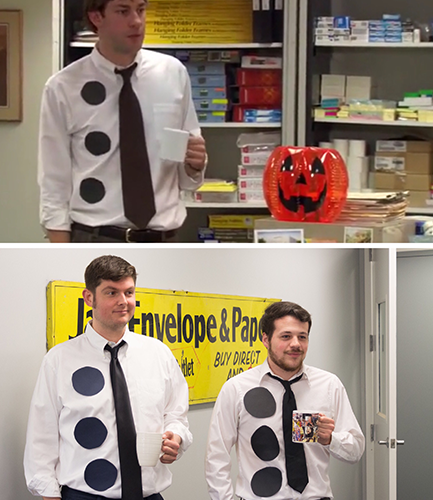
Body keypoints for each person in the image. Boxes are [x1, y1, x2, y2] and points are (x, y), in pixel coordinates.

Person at [38, 0, 207, 243]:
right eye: (122, 11)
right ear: (97, 17)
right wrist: (62, 257)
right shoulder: (63, 87)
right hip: (96, 239)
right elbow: (53, 183)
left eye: (140, 9)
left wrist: (194, 166)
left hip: (164, 242)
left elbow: (187, 174)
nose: (136, 21)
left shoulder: (173, 73)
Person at [24, 255, 192, 499]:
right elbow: (41, 438)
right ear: (89, 297)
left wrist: (176, 437)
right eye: (112, 293)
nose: (124, 302)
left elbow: (176, 416)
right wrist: (49, 494)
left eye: (129, 292)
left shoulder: (158, 354)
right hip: (85, 495)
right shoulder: (59, 360)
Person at [205, 301, 365, 500]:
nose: (296, 344)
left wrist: (331, 439)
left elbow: (356, 450)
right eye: (286, 336)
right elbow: (216, 455)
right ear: (266, 339)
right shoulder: (237, 388)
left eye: (302, 337)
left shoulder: (329, 385)